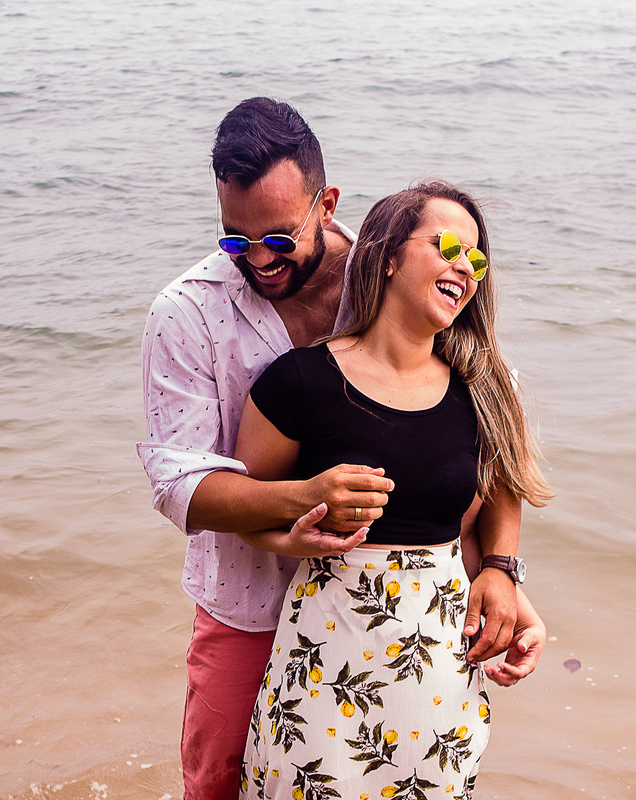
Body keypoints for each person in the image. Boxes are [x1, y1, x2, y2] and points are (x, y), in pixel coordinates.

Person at [137, 98, 547, 800]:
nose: (258, 259)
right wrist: (304, 497)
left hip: (392, 630)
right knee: (216, 783)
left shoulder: (403, 276)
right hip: (246, 601)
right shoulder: (185, 311)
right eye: (236, 240)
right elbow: (179, 485)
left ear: (325, 204)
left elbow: (482, 435)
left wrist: (502, 572)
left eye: (277, 236)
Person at [233, 180, 553, 798]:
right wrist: (295, 534)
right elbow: (247, 512)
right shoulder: (298, 381)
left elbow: (505, 485)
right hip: (325, 672)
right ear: (383, 254)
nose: (465, 265)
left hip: (438, 679)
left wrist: (503, 572)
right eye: (448, 246)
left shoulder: (482, 386)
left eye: (477, 258)